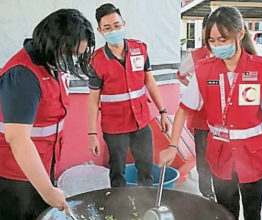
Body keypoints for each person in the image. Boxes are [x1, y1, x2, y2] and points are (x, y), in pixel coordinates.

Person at [160, 6, 262, 220]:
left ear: (240, 34)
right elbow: (183, 111)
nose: (217, 46)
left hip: (254, 156)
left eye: (222, 40)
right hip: (220, 156)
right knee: (225, 211)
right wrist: (172, 145)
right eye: (212, 41)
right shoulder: (205, 69)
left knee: (254, 212)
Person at [0, 9, 95, 219]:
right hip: (15, 176)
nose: (72, 61)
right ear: (52, 43)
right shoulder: (23, 75)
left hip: (42, 166)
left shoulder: (54, 65)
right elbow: (18, 139)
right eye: (71, 54)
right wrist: (47, 190)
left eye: (77, 55)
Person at [88, 3, 170, 188]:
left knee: (146, 169)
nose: (114, 30)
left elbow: (150, 81)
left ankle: (145, 210)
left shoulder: (140, 49)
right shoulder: (96, 60)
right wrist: (92, 133)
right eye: (107, 28)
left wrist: (163, 112)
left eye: (117, 25)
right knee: (117, 172)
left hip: (141, 121)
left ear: (123, 24)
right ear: (100, 30)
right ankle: (120, 211)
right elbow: (93, 100)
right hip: (114, 126)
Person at [176, 13, 215, 200]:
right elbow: (180, 74)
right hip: (202, 121)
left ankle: (225, 193)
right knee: (204, 160)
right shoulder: (197, 56)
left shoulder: (235, 55)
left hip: (228, 122)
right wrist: (194, 88)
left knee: (225, 160)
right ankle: (207, 195)